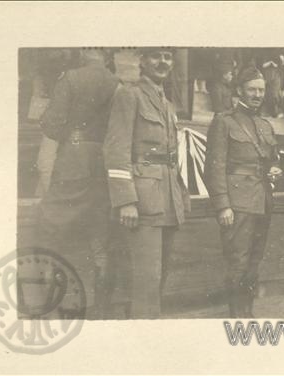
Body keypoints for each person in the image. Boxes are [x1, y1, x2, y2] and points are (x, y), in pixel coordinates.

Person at [103, 47, 190, 319]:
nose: (162, 62)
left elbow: (172, 156)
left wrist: (181, 196)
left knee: (160, 277)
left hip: (168, 200)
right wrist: (126, 201)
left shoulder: (167, 103)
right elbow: (116, 149)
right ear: (142, 60)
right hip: (142, 202)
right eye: (156, 56)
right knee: (146, 280)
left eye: (167, 56)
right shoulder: (130, 96)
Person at [36, 48, 120, 318]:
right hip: (106, 164)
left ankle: (47, 304)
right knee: (100, 238)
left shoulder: (70, 78)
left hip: (74, 159)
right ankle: (103, 308)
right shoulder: (118, 84)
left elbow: (52, 124)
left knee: (50, 227)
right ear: (107, 55)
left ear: (86, 51)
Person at [204, 67, 281, 318]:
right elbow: (214, 167)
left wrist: (275, 169)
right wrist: (222, 205)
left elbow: (272, 160)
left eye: (261, 89)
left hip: (262, 201)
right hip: (237, 203)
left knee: (254, 262)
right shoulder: (224, 121)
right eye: (252, 89)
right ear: (239, 91)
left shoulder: (265, 125)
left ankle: (248, 314)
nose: (257, 94)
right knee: (238, 262)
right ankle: (238, 317)